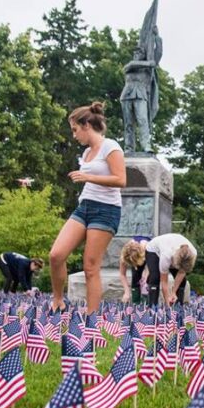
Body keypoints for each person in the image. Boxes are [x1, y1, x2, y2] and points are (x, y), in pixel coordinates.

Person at [49, 102, 126, 314]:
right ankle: (58, 301)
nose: (74, 135)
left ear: (86, 125)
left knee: (90, 267)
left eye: (75, 129)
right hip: (85, 207)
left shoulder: (111, 147)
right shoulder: (86, 153)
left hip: (106, 210)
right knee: (56, 255)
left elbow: (121, 179)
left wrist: (88, 177)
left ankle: (92, 319)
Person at [145, 233, 197, 306]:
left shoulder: (193, 253)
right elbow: (164, 282)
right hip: (153, 250)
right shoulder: (166, 256)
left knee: (182, 281)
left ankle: (178, 306)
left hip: (173, 247)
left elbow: (181, 273)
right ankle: (152, 307)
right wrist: (167, 302)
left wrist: (173, 293)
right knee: (155, 278)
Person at [119, 237, 150, 304]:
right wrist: (127, 292)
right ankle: (136, 303)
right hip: (138, 256)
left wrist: (145, 278)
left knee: (147, 282)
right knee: (135, 277)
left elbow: (150, 268)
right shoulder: (125, 254)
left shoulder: (147, 247)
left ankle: (147, 305)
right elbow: (122, 274)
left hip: (147, 254)